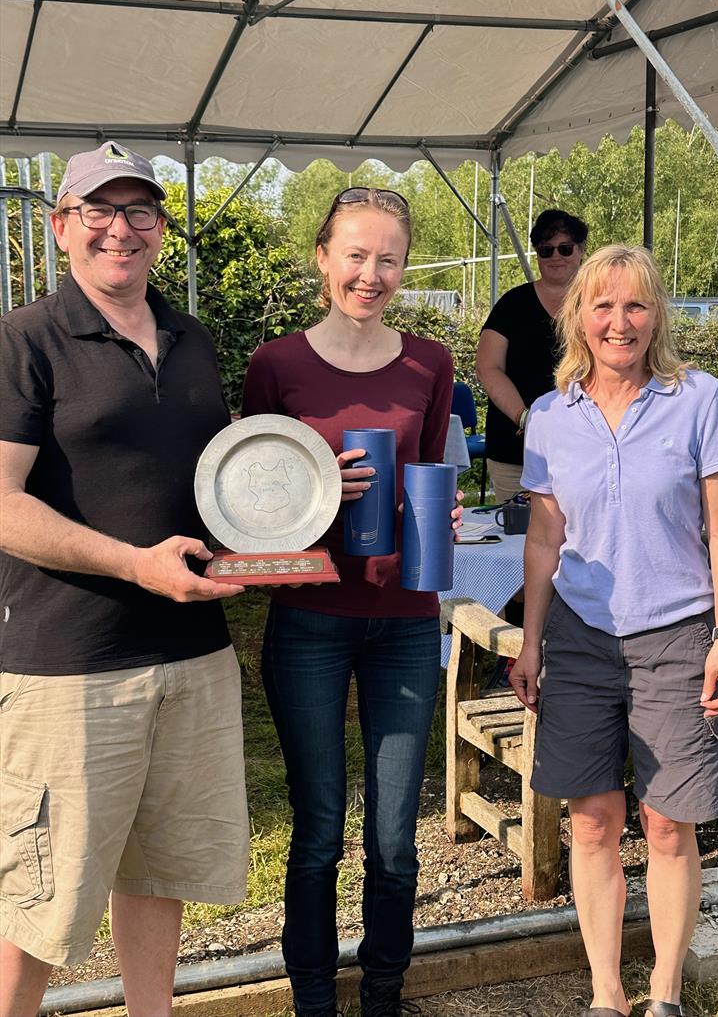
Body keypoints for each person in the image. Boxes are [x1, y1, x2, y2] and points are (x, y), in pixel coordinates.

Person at [0, 142, 250, 1017]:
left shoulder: (191, 338)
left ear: (160, 230)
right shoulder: (25, 338)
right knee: (41, 898)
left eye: (139, 210)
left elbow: (208, 482)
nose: (120, 228)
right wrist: (133, 565)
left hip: (191, 654)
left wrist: (302, 498)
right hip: (69, 665)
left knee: (159, 871)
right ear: (62, 225)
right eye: (97, 210)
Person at [509, 245, 718, 1017]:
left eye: (636, 305)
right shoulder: (549, 415)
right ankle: (607, 993)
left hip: (678, 633)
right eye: (603, 305)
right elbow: (544, 539)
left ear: (657, 317)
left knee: (670, 824)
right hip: (580, 637)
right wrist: (531, 640)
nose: (619, 321)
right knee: (592, 818)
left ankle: (666, 990)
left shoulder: (699, 399)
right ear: (578, 314)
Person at [241, 187, 458, 1017]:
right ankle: (311, 998)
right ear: (324, 256)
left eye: (389, 258)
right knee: (320, 827)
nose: (371, 274)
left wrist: (439, 508)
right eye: (356, 254)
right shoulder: (277, 364)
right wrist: (318, 494)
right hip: (311, 617)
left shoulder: (430, 364)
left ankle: (383, 994)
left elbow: (426, 474)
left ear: (406, 266)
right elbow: (250, 506)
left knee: (396, 838)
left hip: (404, 620)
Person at [476, 208, 588, 503]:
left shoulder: (599, 305)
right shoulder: (512, 304)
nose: (555, 257)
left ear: (581, 251)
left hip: (586, 452)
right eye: (545, 250)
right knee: (517, 540)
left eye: (565, 248)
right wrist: (526, 419)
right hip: (515, 453)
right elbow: (488, 368)